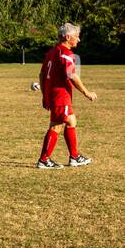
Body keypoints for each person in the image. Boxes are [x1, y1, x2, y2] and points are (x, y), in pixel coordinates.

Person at [37, 23, 96, 168]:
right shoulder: (67, 54)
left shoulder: (52, 52)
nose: (79, 40)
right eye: (76, 37)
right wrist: (86, 93)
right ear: (67, 37)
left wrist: (45, 95)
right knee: (56, 126)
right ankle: (44, 160)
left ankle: (74, 157)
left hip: (54, 95)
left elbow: (42, 74)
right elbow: (72, 75)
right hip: (60, 95)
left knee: (71, 121)